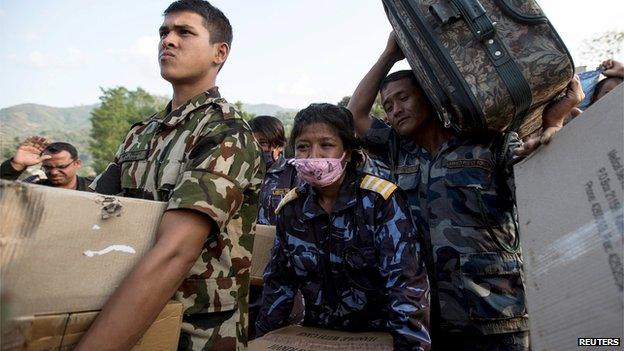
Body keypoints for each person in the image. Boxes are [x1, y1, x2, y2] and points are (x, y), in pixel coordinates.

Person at [347, 33, 583, 350]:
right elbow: (354, 116)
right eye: (388, 106)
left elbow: (544, 197)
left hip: (495, 313)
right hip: (425, 316)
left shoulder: (490, 141)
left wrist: (553, 124)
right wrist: (389, 53)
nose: (395, 110)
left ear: (429, 97)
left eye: (403, 98)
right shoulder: (398, 150)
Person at [76, 1, 264, 350]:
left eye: (184, 32)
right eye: (164, 32)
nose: (168, 41)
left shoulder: (226, 134)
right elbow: (90, 210)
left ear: (219, 53)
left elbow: (176, 251)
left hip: (194, 333)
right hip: (123, 313)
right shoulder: (142, 133)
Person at [255, 103, 431, 351]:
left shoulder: (380, 201)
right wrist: (264, 341)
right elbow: (279, 284)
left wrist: (411, 347)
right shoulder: (291, 209)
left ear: (347, 152)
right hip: (318, 338)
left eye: (326, 145)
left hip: (380, 337)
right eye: (303, 147)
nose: (313, 156)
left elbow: (405, 287)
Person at [248, 115, 297, 226]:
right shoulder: (242, 173)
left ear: (280, 146)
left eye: (263, 143)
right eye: (253, 143)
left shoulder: (293, 174)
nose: (257, 148)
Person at [0, 137, 92, 191]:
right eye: (47, 167)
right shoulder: (33, 187)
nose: (54, 172)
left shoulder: (96, 187)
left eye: (61, 167)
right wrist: (16, 165)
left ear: (77, 163)